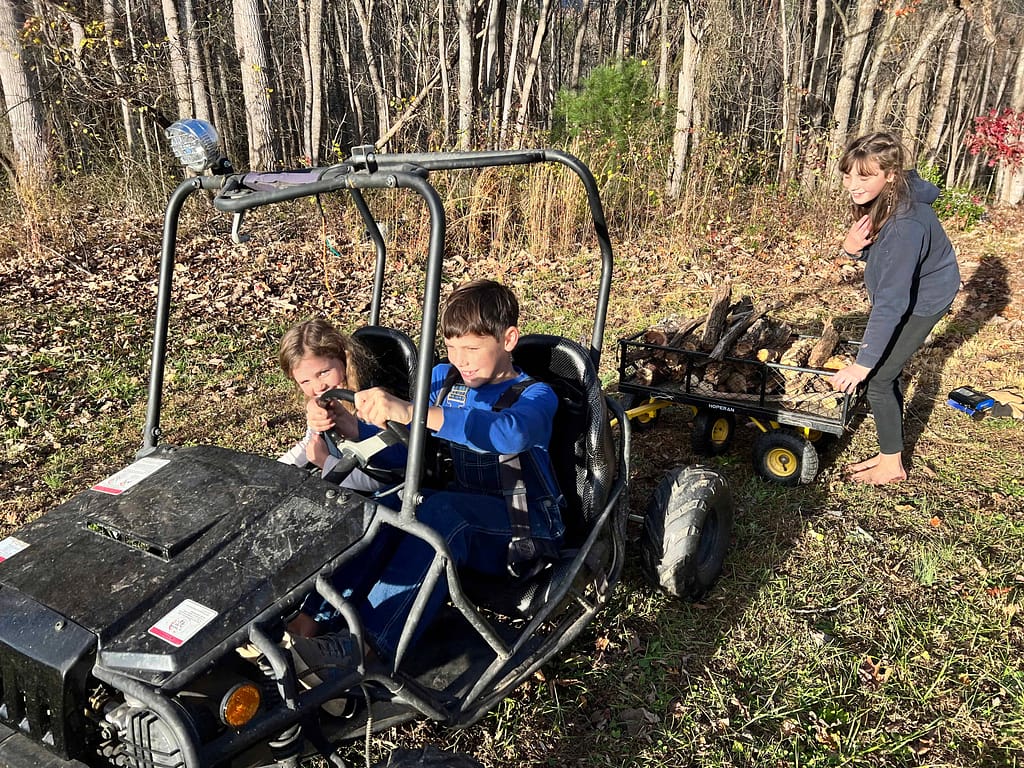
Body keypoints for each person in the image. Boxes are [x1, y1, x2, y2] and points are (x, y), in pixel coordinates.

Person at [287, 279, 565, 674]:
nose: (461, 360)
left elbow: (507, 434)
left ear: (508, 339)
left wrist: (410, 410)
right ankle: (306, 626)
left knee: (442, 514)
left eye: (471, 349)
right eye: (452, 348)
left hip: (527, 525)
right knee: (384, 508)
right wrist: (349, 426)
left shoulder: (535, 396)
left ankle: (364, 648)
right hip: (465, 509)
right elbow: (405, 450)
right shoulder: (443, 380)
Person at [829, 132, 961, 485]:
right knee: (885, 373)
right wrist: (854, 249)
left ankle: (892, 467)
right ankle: (892, 452)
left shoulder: (906, 223)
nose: (853, 185)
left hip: (925, 298)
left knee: (877, 378)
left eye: (864, 176)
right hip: (909, 291)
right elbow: (887, 258)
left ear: (890, 174)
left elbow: (892, 302)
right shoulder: (889, 198)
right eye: (848, 175)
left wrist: (862, 363)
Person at [276, 318, 390, 494]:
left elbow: (380, 482)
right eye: (305, 381)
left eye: (323, 373)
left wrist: (324, 461)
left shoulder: (370, 403)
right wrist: (273, 472)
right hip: (342, 483)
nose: (318, 387)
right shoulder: (322, 402)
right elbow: (310, 443)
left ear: (344, 359)